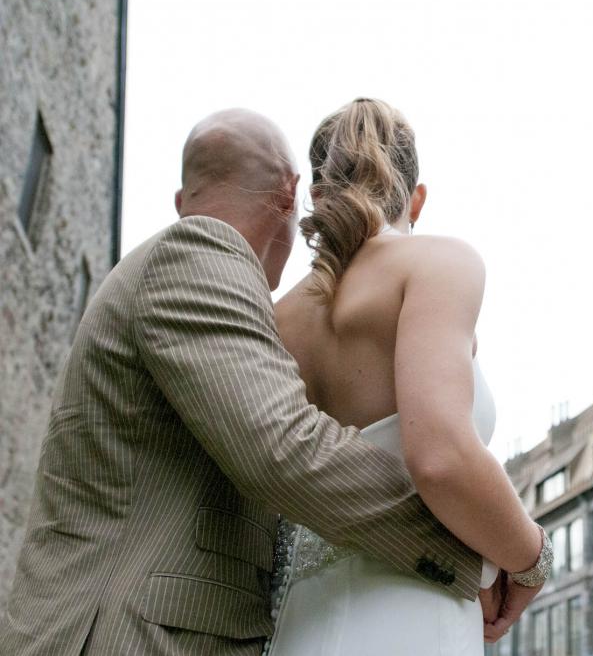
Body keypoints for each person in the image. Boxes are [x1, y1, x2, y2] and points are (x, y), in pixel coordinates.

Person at [0, 109, 496, 655]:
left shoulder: (261, 317)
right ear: (290, 198)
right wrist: (486, 545)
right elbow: (283, 449)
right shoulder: (200, 252)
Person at [267, 98, 548, 654]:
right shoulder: (438, 264)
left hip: (297, 626)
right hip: (412, 618)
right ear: (416, 199)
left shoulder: (275, 318)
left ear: (319, 197)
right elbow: (441, 457)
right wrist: (531, 559)